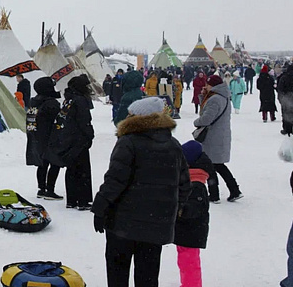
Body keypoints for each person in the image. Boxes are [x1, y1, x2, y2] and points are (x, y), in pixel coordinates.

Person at [92, 97, 190, 287]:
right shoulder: (173, 145)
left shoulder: (128, 142)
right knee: (148, 275)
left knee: (118, 272)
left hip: (123, 223)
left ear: (138, 117)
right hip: (156, 225)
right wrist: (173, 209)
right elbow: (184, 184)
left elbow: (115, 181)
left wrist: (100, 208)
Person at [49, 74, 95, 210]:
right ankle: (82, 200)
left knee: (72, 170)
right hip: (79, 139)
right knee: (82, 170)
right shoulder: (80, 101)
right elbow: (84, 121)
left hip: (68, 138)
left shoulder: (68, 100)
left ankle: (72, 199)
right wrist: (89, 135)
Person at [174, 141, 216, 287]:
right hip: (187, 230)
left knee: (189, 262)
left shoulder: (196, 184)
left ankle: (191, 285)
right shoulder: (191, 180)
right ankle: (188, 283)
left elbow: (196, 208)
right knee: (185, 260)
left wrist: (180, 210)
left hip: (191, 231)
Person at [194, 74, 242, 203]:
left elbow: (206, 118)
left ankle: (215, 194)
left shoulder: (214, 99)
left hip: (213, 137)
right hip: (220, 136)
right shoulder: (223, 97)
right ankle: (234, 190)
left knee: (211, 165)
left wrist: (196, 122)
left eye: (208, 84)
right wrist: (203, 96)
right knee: (218, 165)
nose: (206, 86)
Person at [25, 77, 63, 200]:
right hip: (50, 137)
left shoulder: (33, 102)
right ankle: (50, 190)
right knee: (55, 163)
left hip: (37, 137)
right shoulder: (51, 103)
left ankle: (41, 188)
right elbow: (58, 120)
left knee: (42, 164)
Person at [278, 65, 293, 136]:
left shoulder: (284, 77)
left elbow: (280, 89)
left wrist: (281, 99)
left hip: (287, 99)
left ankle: (287, 129)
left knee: (286, 114)